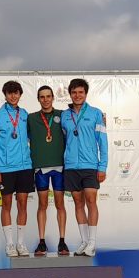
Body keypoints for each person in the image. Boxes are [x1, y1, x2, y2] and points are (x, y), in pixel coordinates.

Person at [60, 78, 108, 257]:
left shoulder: (96, 114)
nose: (77, 95)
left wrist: (102, 166)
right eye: (74, 92)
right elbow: (64, 139)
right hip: (71, 166)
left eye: (80, 92)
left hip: (90, 165)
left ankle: (93, 243)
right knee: (78, 203)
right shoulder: (65, 115)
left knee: (91, 201)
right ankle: (84, 241)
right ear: (70, 94)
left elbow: (102, 142)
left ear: (85, 94)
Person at [0, 80, 35, 257]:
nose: (13, 96)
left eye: (16, 93)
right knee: (6, 204)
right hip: (5, 168)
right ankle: (9, 244)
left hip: (25, 166)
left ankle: (21, 243)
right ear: (5, 95)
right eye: (10, 93)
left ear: (20, 94)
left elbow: (34, 135)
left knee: (22, 204)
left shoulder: (24, 114)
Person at [29, 86, 71, 256]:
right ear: (38, 99)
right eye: (42, 97)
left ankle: (62, 242)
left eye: (48, 96)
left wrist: (101, 118)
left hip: (60, 167)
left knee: (60, 204)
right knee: (43, 205)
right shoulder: (31, 118)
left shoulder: (63, 115)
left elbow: (79, 121)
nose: (45, 100)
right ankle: (41, 242)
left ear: (53, 98)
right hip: (41, 167)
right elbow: (13, 129)